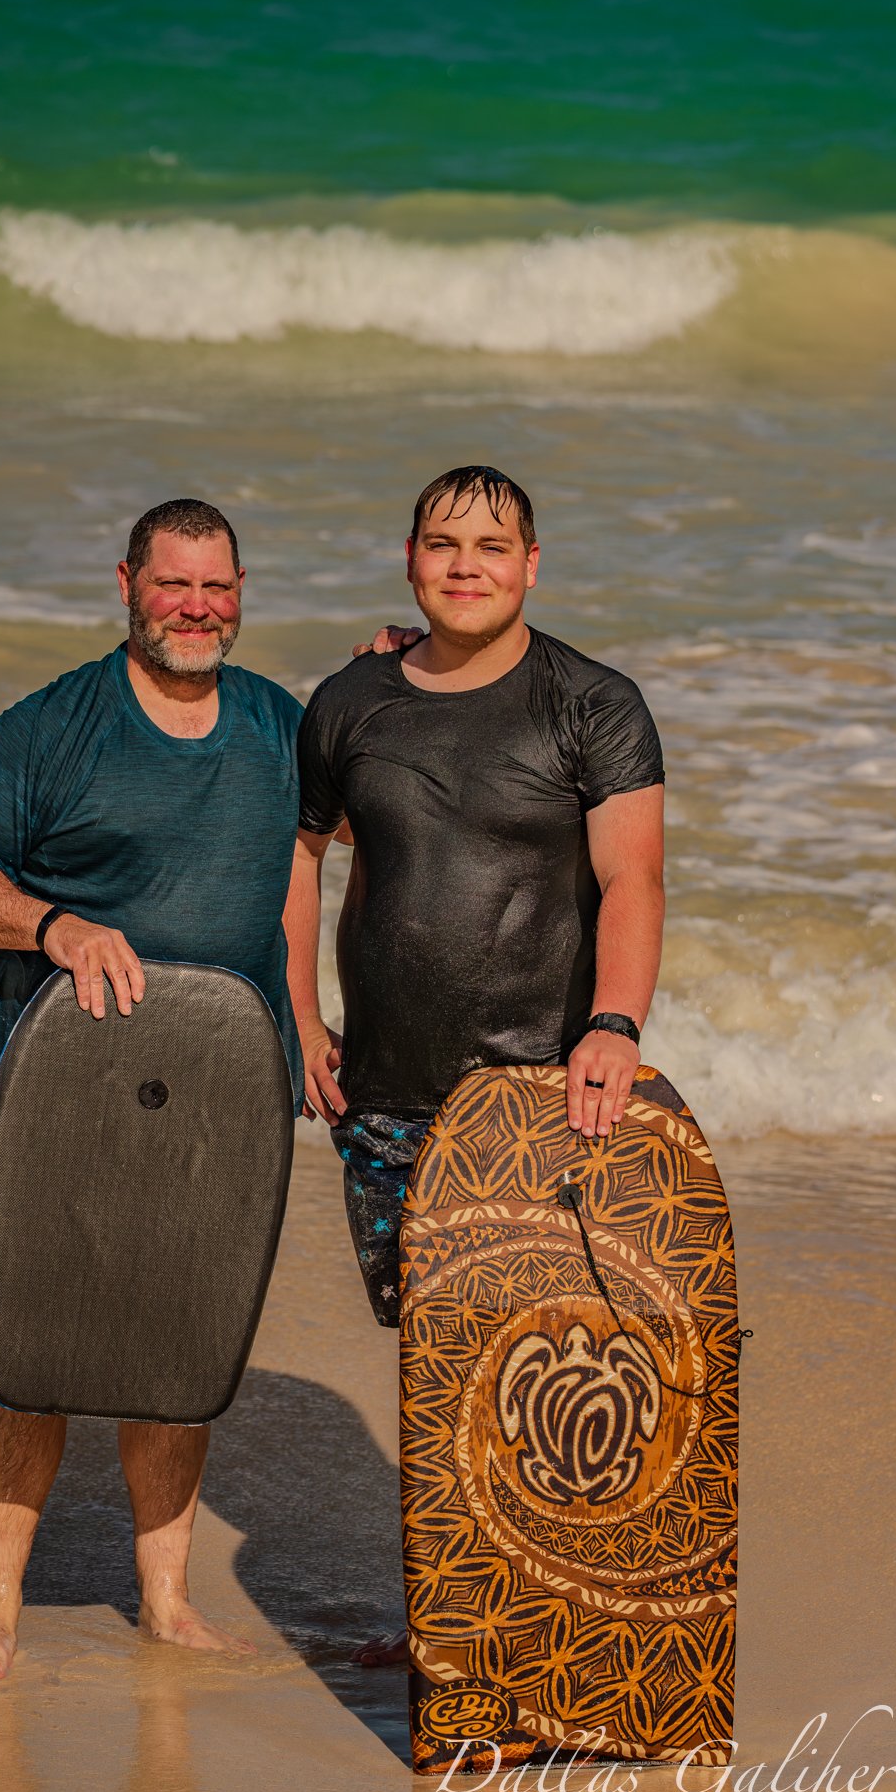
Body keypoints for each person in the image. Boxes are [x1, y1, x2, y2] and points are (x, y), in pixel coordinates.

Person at [0, 497, 307, 1677]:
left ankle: (168, 1602)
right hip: (60, 1086)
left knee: (179, 1347)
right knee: (29, 1351)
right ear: (128, 582)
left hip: (221, 1086)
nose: (196, 607)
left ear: (241, 593)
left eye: (217, 586)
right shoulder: (50, 729)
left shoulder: (281, 725)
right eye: (173, 583)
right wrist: (54, 924)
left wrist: (403, 663)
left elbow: (352, 818)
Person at [283, 464, 666, 1665]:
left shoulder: (593, 703)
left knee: (545, 1362)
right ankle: (455, 1625)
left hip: (538, 1100)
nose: (467, 565)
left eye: (492, 545)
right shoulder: (350, 698)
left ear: (532, 565)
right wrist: (298, 1013)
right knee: (436, 1361)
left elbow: (635, 879)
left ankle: (554, 1628)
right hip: (384, 1093)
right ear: (409, 559)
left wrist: (614, 1025)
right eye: (444, 543)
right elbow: (301, 854)